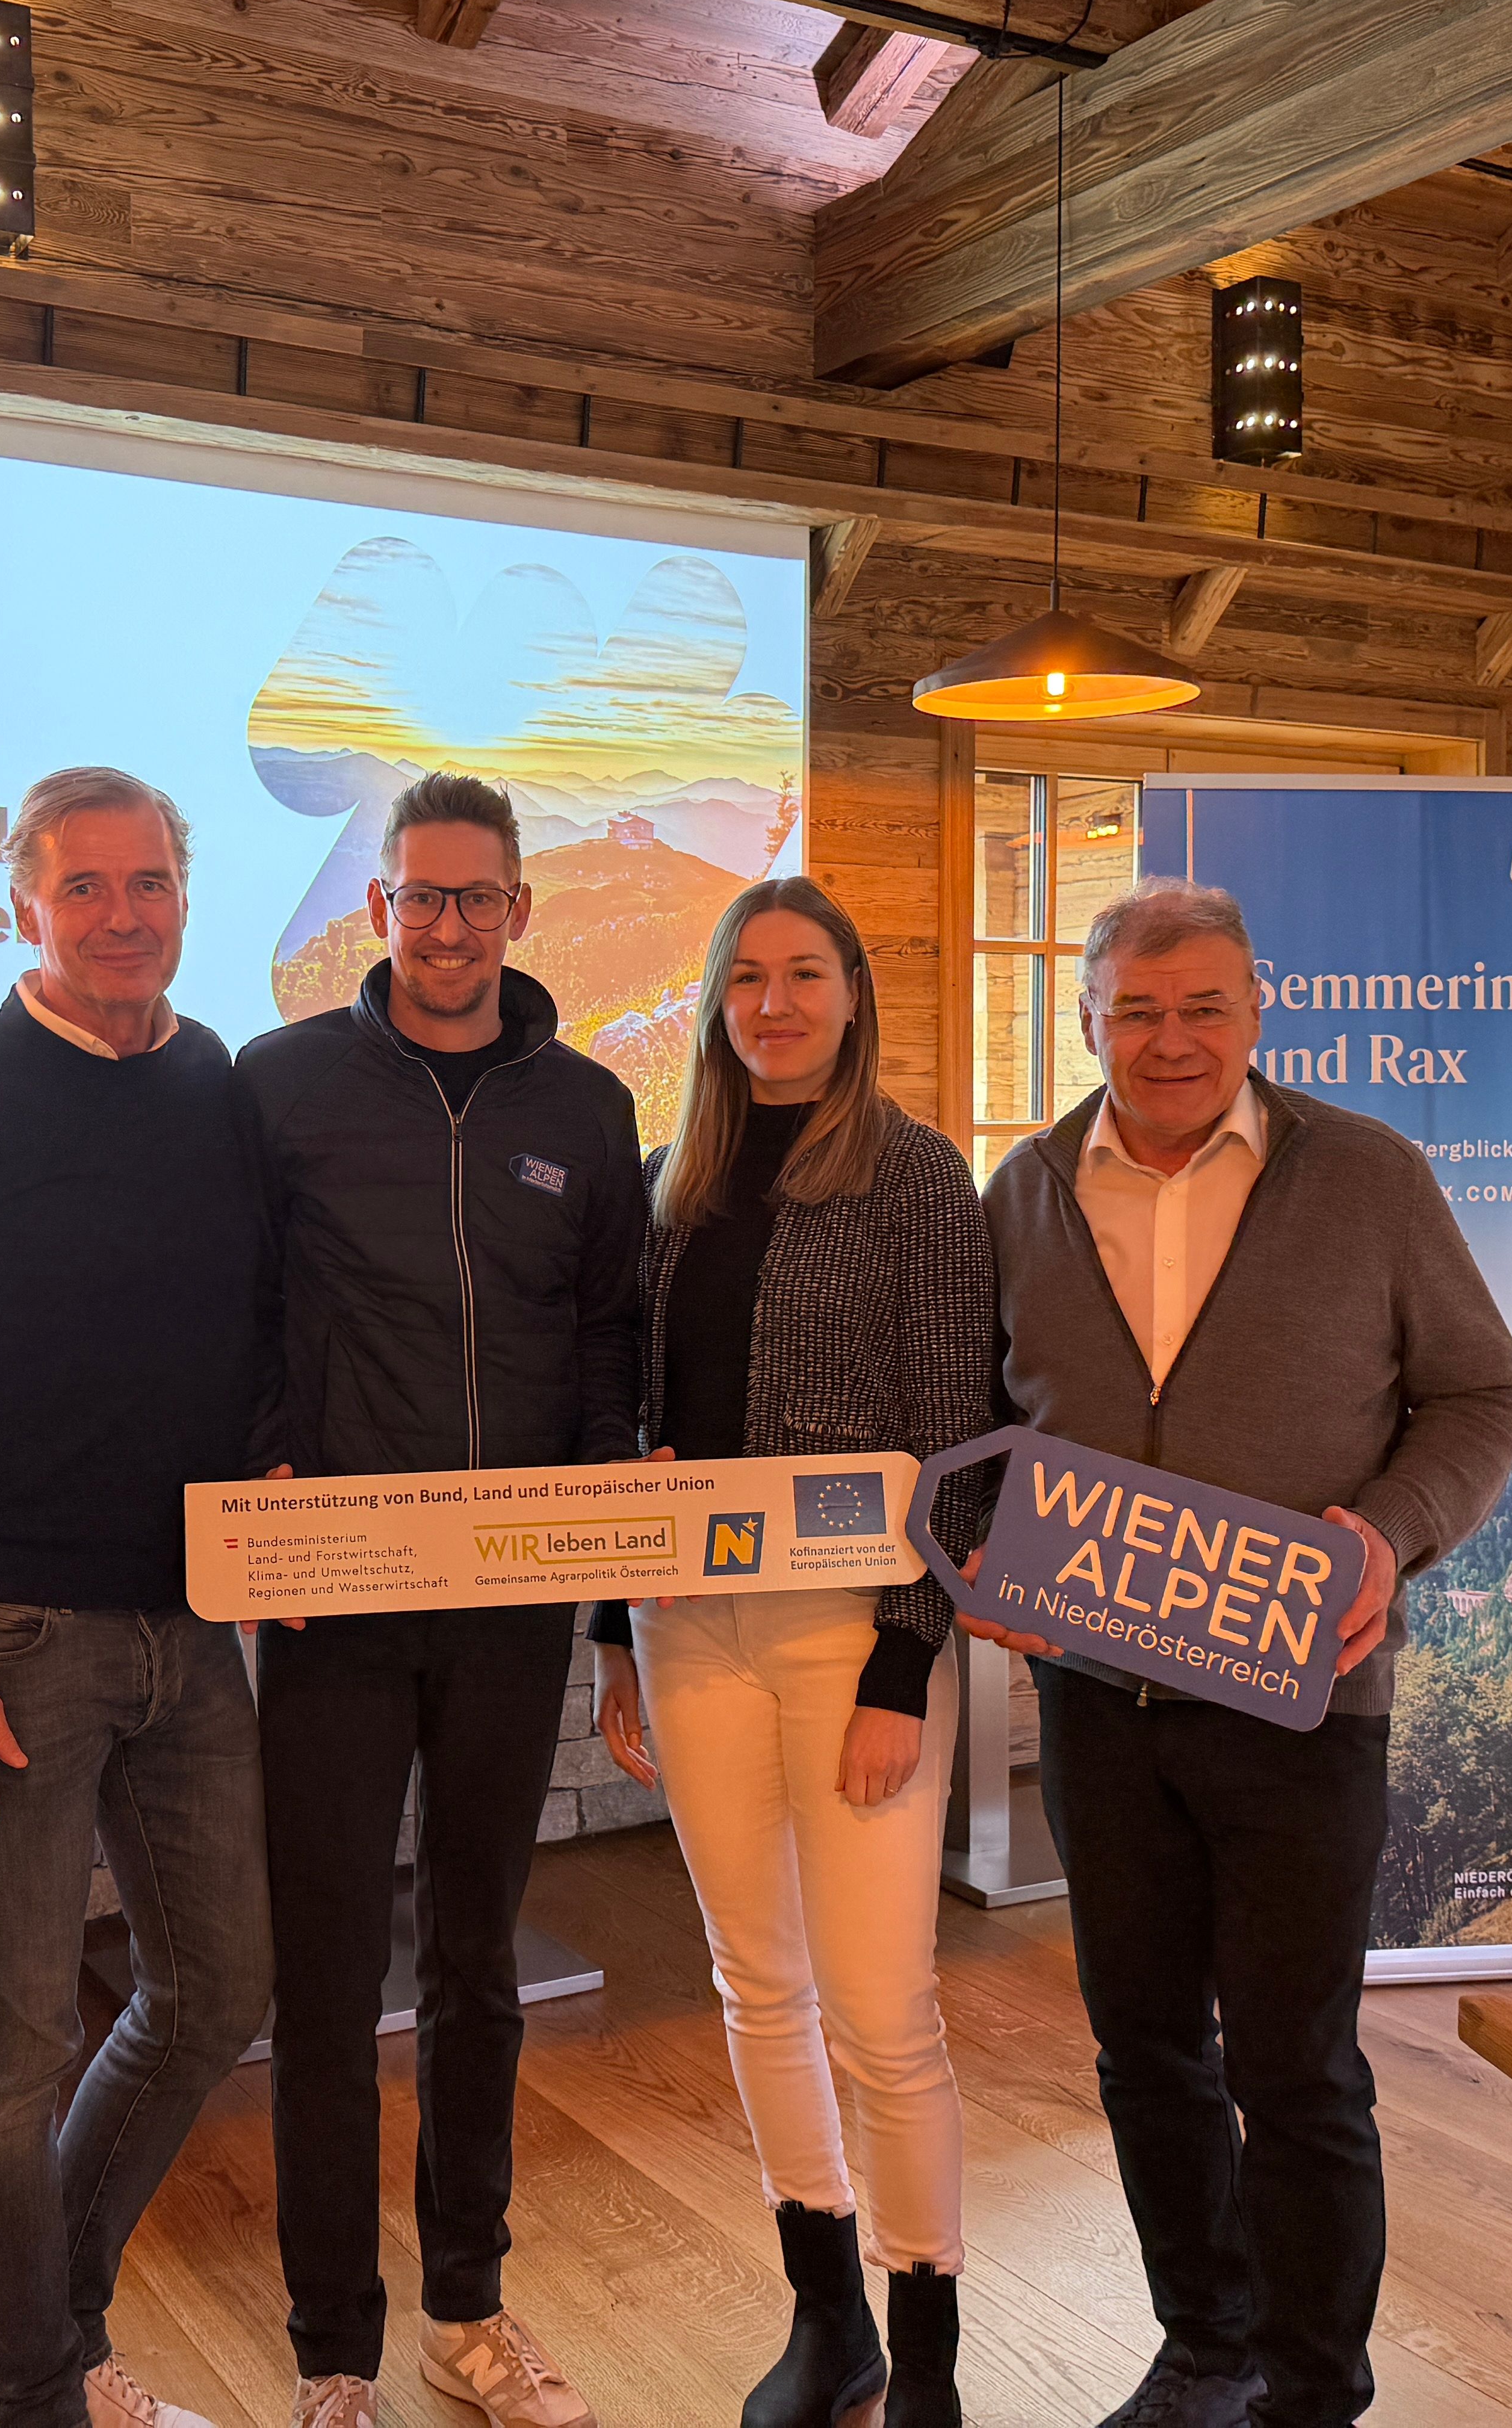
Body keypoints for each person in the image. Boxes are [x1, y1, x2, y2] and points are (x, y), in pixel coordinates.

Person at [975, 878, 1512, 2428]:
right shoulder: (1018, 1192)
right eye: (1136, 1010)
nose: (1170, 1040)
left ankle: (1309, 2390)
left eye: (1204, 1006)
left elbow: (1481, 1399)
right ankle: (1202, 2346)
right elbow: (982, 1432)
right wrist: (984, 1565)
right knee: (1144, 2046)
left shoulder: (1366, 1176)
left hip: (1303, 1705)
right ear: (1084, 1021)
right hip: (1098, 1704)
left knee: (1296, 2068)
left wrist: (1386, 1532)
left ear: (1256, 1013)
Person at [0, 766, 277, 2428]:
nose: (123, 915)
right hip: (5, 1640)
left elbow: (221, 1337)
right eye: (86, 887)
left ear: (183, 894)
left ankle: (59, 2330)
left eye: (149, 883)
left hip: (192, 1632)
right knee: (7, 2050)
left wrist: (277, 1473)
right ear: (24, 900)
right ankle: (40, 2397)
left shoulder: (216, 1079)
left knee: (223, 1989)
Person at [239, 770, 648, 2428]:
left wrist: (609, 1562)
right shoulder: (279, 1088)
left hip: (511, 1609)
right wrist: (266, 1453)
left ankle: (468, 2312)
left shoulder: (591, 1108)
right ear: (380, 908)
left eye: (480, 896)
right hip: (331, 1600)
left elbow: (613, 1339)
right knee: (329, 1975)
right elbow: (238, 1305)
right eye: (423, 896)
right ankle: (335, 2348)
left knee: (477, 1962)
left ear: (522, 910)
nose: (451, 924)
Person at [589, 876, 996, 2428]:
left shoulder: (918, 1181)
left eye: (803, 974)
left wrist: (907, 1663)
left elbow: (959, 1436)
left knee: (884, 2006)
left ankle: (933, 2358)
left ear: (851, 994)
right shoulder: (665, 1185)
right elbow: (627, 1433)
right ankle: (830, 2324)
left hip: (855, 1638)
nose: (775, 1002)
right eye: (747, 977)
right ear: (713, 1001)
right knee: (756, 1984)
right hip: (687, 1633)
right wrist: (611, 1638)